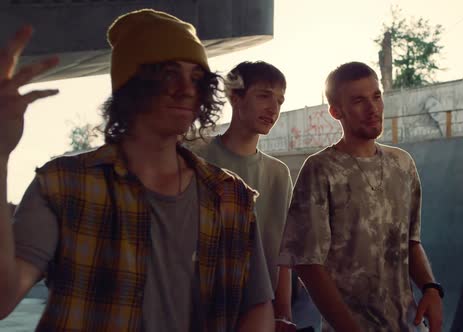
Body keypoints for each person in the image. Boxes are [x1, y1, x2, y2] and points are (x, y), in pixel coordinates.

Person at [0, 9, 274, 332]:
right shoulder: (63, 185)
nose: (187, 89)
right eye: (169, 74)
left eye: (197, 78)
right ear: (131, 85)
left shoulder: (231, 196)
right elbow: (4, 298)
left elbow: (256, 307)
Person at [278, 62, 444, 332]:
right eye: (358, 100)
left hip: (410, 325)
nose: (372, 108)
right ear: (336, 111)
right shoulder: (320, 169)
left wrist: (431, 287)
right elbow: (308, 264)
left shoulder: (402, 164)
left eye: (376, 97)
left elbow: (411, 242)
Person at [194, 61, 321, 332]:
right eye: (264, 95)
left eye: (280, 100)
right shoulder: (197, 158)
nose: (273, 108)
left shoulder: (278, 173)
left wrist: (284, 312)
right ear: (235, 97)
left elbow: (284, 252)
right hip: (205, 305)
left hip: (262, 311)